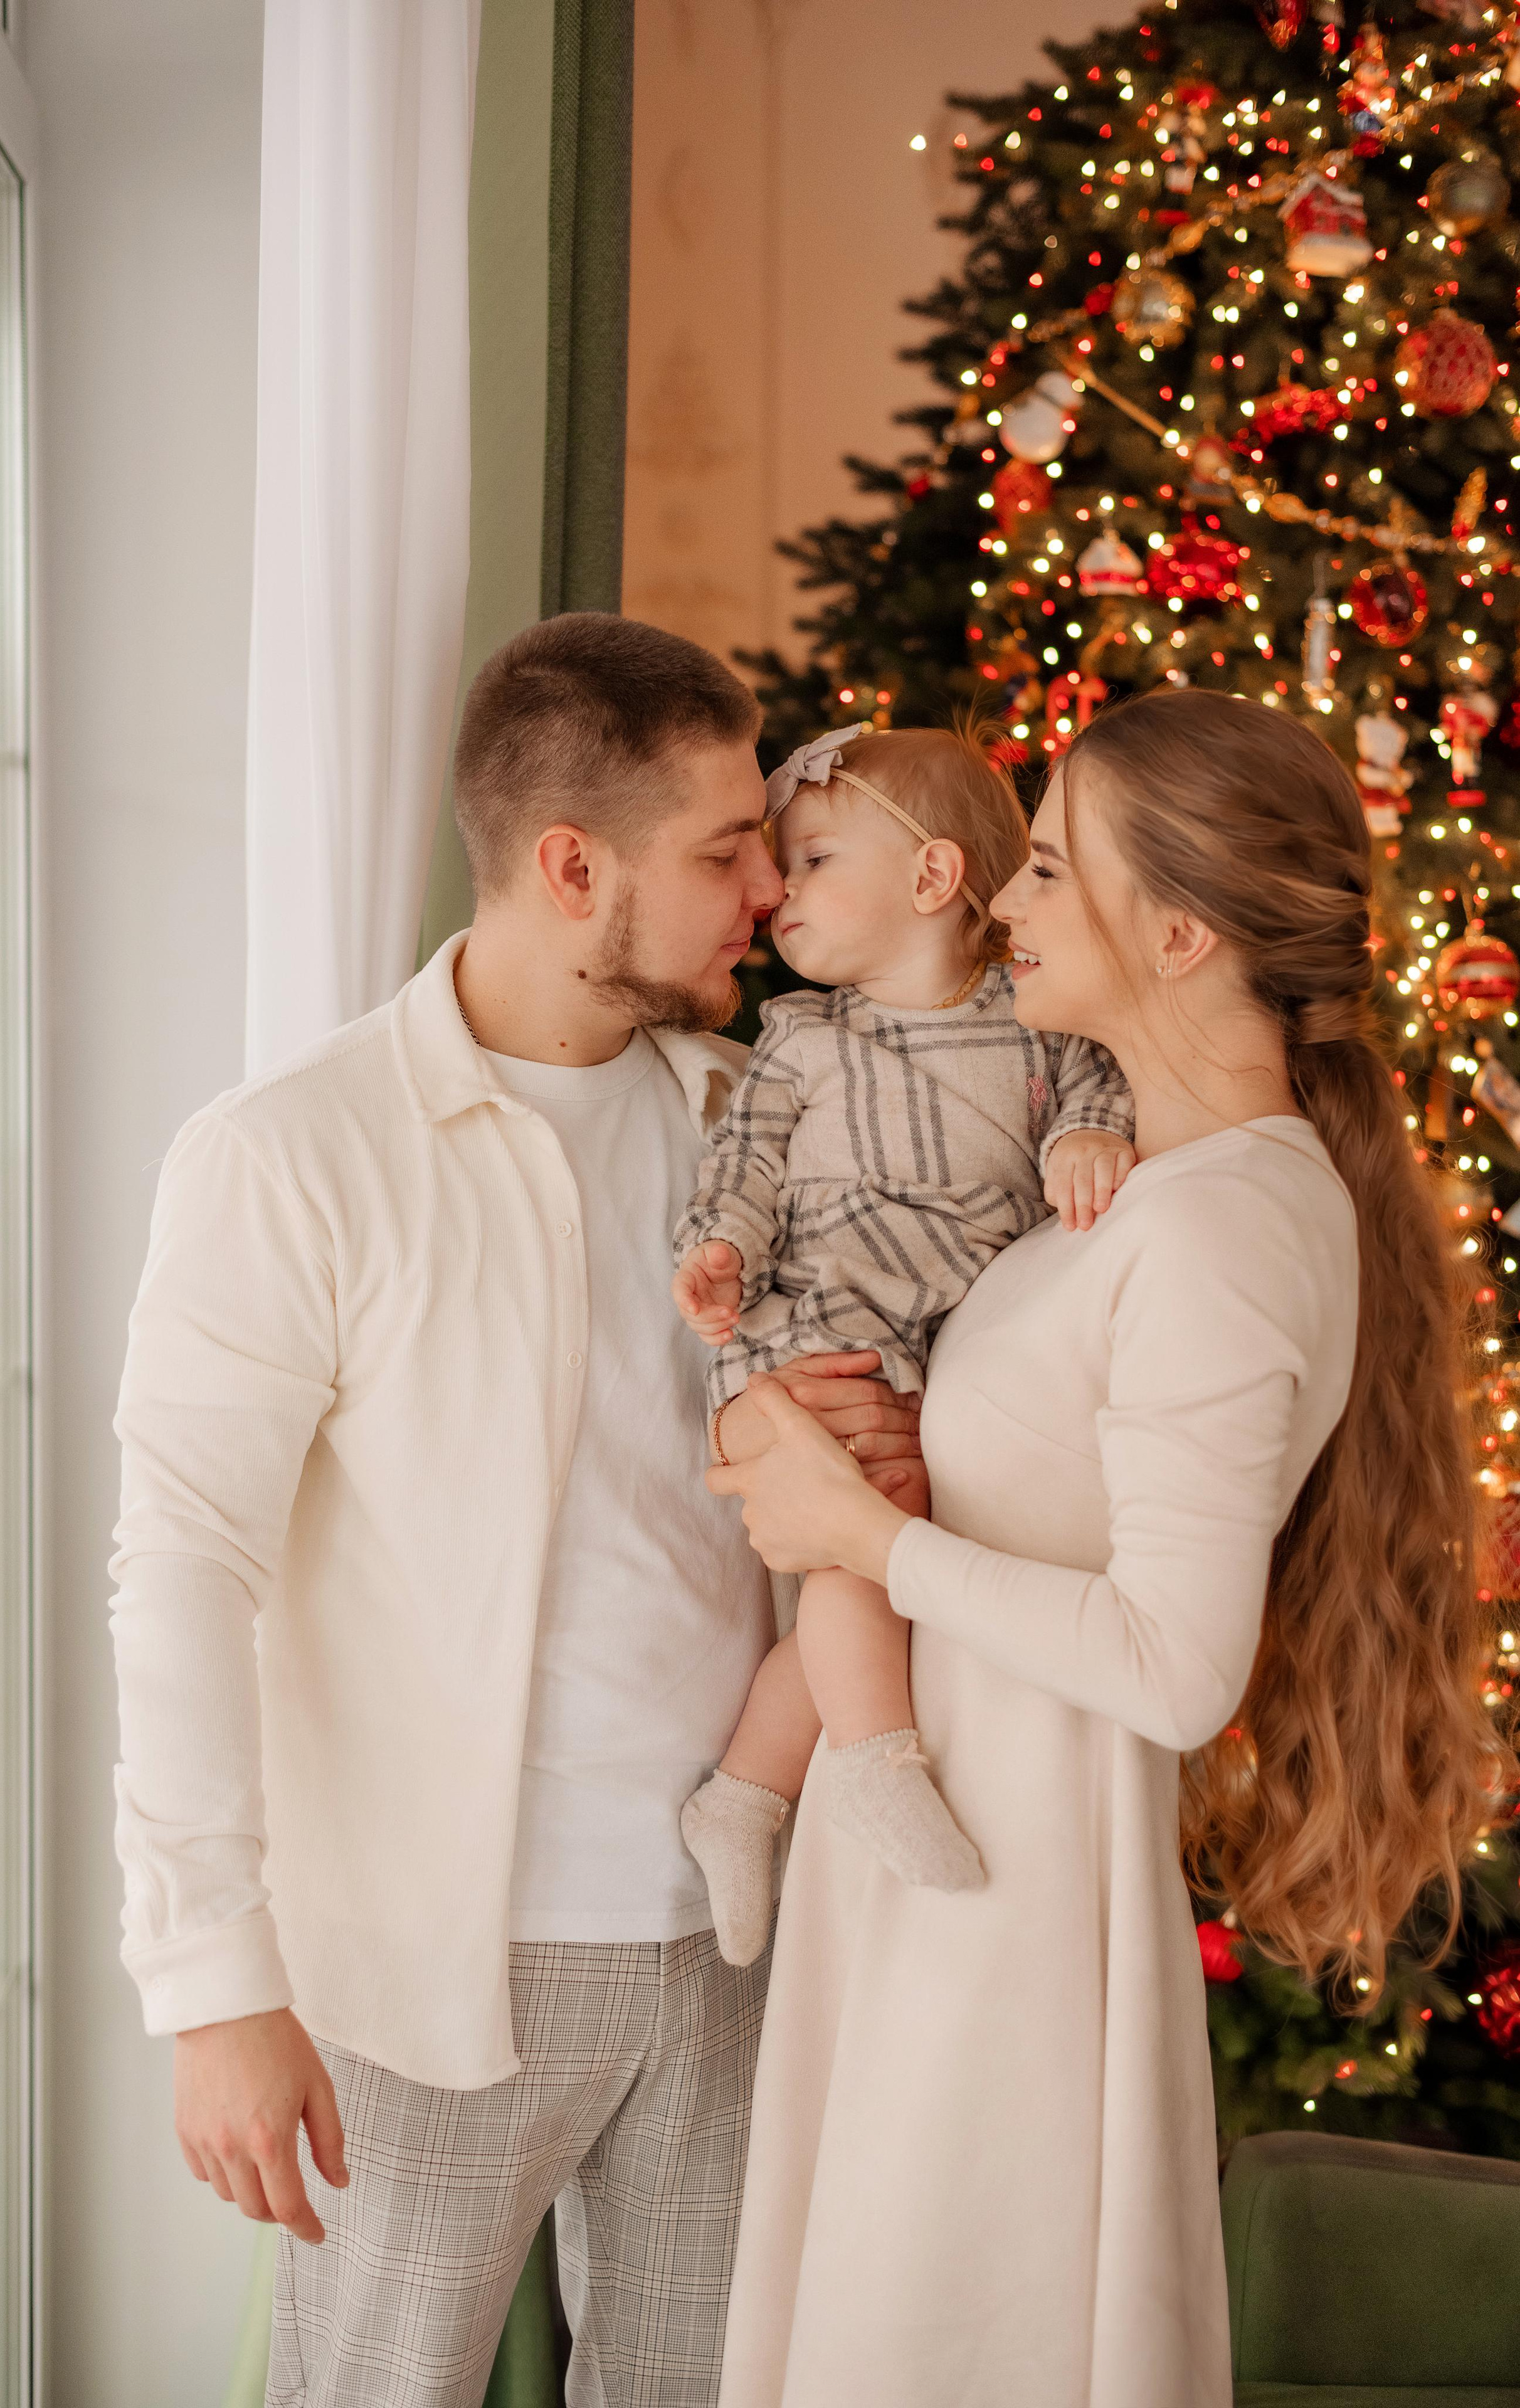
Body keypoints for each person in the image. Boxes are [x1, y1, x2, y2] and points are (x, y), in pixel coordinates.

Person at [107, 613, 926, 2408]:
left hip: (733, 1928)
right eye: (722, 848)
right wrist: (212, 1981)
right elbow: (182, 1562)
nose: (766, 889)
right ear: (573, 866)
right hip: (426, 1963)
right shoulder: (292, 1153)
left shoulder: (751, 1120)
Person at [703, 689, 1504, 2408]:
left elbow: (1175, 1662)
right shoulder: (1145, 1189)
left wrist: (863, 1538)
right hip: (946, 1860)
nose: (1003, 903)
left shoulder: (1218, 1232)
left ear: (1181, 928)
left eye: (1051, 868)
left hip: (1009, 1903)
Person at [672, 722, 1134, 1965]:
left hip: (933, 1349)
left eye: (813, 858)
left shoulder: (1037, 1026)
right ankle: (873, 1762)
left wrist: (1085, 1142)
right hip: (811, 1328)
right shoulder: (804, 1037)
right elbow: (746, 1163)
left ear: (932, 879)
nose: (777, 895)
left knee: (869, 1560)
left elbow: (1100, 1087)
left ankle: (747, 1792)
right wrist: (718, 1252)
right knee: (861, 1543)